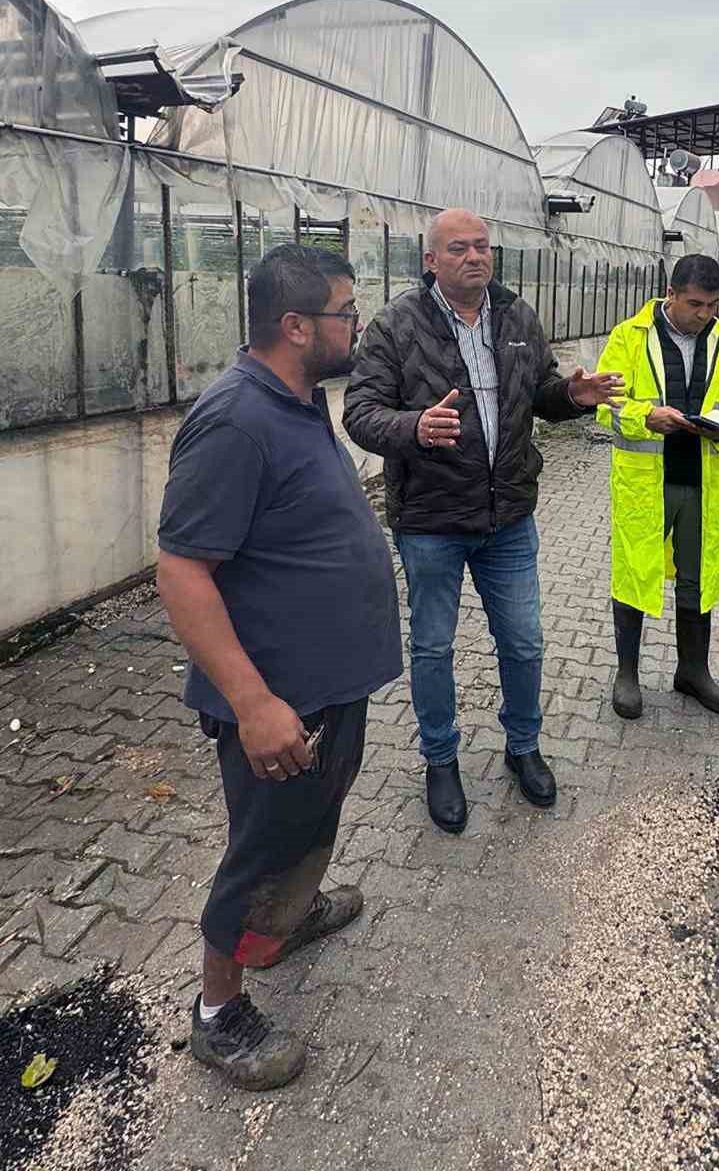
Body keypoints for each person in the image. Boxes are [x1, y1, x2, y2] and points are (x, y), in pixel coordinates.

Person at [156, 245, 404, 1090]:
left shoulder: (298, 399)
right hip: (279, 705)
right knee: (262, 848)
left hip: (327, 690)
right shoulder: (235, 418)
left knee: (307, 825)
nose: (359, 325)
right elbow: (182, 572)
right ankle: (217, 1012)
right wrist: (254, 702)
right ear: (295, 326)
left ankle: (285, 923)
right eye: (347, 312)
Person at [342, 209, 621, 835]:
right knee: (434, 647)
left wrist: (573, 397)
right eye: (459, 248)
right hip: (431, 520)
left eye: (483, 246)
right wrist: (412, 427)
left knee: (524, 641)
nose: (475, 256)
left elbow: (541, 392)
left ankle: (523, 745)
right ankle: (440, 759)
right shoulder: (394, 326)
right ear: (431, 261)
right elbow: (360, 413)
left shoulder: (517, 316)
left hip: (508, 519)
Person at [596, 255, 719, 720]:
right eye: (694, 304)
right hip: (645, 485)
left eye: (711, 305)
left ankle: (692, 671)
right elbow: (604, 404)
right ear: (670, 294)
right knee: (634, 570)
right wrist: (646, 416)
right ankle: (627, 673)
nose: (704, 313)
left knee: (698, 575)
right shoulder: (630, 337)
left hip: (701, 483)